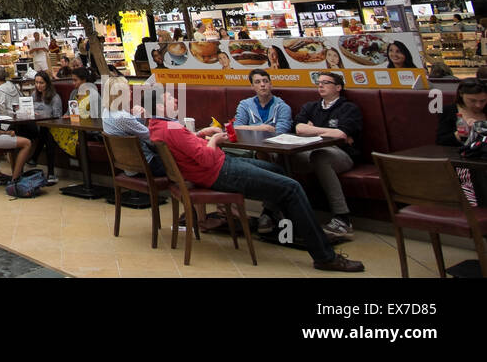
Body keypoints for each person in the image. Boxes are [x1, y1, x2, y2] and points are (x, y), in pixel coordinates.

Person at [144, 88, 364, 272]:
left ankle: (284, 228)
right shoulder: (171, 129)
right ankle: (324, 256)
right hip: (220, 172)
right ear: (160, 106)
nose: (175, 99)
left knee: (278, 171)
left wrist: (201, 136)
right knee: (292, 187)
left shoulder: (159, 125)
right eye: (169, 98)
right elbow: (207, 157)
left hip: (219, 167)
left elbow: (187, 145)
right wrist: (217, 140)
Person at [291, 71, 363, 239]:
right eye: (319, 83)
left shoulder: (349, 108)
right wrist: (327, 131)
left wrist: (313, 130)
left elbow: (341, 135)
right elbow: (299, 128)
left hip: (342, 155)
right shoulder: (310, 107)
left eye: (326, 82)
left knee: (320, 156)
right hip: (307, 151)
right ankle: (275, 212)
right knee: (282, 157)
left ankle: (343, 218)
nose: (321, 85)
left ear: (338, 87)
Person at [436, 78, 487, 204]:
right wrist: (459, 134)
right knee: (469, 183)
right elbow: (441, 140)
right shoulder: (450, 111)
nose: (478, 105)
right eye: (473, 101)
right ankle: (474, 210)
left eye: (483, 101)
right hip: (462, 162)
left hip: (484, 159)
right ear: (461, 95)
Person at [234, 69, 293, 134]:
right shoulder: (244, 105)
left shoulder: (282, 107)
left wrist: (250, 128)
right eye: (257, 82)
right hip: (250, 143)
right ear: (252, 86)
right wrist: (263, 128)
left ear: (270, 84)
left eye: (265, 81)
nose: (262, 84)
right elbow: (236, 127)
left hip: (273, 143)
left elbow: (281, 131)